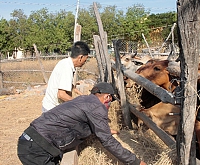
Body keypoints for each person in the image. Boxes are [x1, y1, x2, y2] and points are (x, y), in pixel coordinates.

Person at [17, 82, 146, 165]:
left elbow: (85, 124)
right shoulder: (96, 107)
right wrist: (135, 161)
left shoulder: (84, 100)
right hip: (37, 148)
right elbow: (107, 141)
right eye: (111, 100)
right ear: (107, 97)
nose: (110, 104)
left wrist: (106, 130)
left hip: (32, 141)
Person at [42, 41, 90, 112]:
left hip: (51, 107)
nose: (84, 62)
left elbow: (67, 84)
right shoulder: (67, 68)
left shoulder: (65, 62)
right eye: (85, 60)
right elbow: (61, 95)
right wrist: (79, 103)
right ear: (80, 57)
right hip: (52, 110)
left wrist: (81, 95)